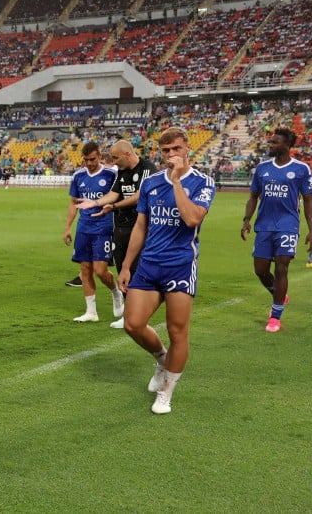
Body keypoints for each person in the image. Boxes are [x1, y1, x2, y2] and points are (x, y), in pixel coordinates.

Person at [118, 127, 215, 415]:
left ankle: (166, 392)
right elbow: (141, 226)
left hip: (180, 265)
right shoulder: (150, 184)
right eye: (165, 151)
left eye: (176, 149)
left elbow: (192, 218)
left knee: (177, 332)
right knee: (132, 324)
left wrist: (176, 182)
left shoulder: (203, 182)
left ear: (188, 149)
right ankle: (161, 359)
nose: (171, 155)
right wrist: (125, 265)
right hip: (149, 264)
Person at [240, 128, 312, 333]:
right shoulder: (262, 168)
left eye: (274, 143)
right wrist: (247, 220)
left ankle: (275, 317)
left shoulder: (301, 169)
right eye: (270, 142)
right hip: (264, 226)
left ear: (287, 146)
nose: (270, 145)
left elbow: (308, 200)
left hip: (287, 225)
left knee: (281, 268)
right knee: (261, 270)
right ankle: (279, 294)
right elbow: (253, 196)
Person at [77, 140, 157, 329]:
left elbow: (139, 196)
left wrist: (114, 207)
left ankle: (138, 314)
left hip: (141, 227)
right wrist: (96, 203)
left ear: (127, 154)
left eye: (115, 158)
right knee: (124, 269)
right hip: (121, 228)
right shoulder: (122, 172)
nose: (112, 162)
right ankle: (129, 314)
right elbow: (114, 193)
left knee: (138, 271)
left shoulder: (147, 168)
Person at [64, 142, 123, 324]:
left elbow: (119, 197)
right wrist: (67, 227)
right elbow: (74, 203)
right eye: (86, 160)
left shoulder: (111, 174)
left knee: (100, 270)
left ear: (99, 156)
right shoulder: (78, 176)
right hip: (84, 228)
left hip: (103, 227)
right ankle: (91, 312)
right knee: (85, 269)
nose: (89, 163)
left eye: (92, 159)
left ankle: (116, 292)